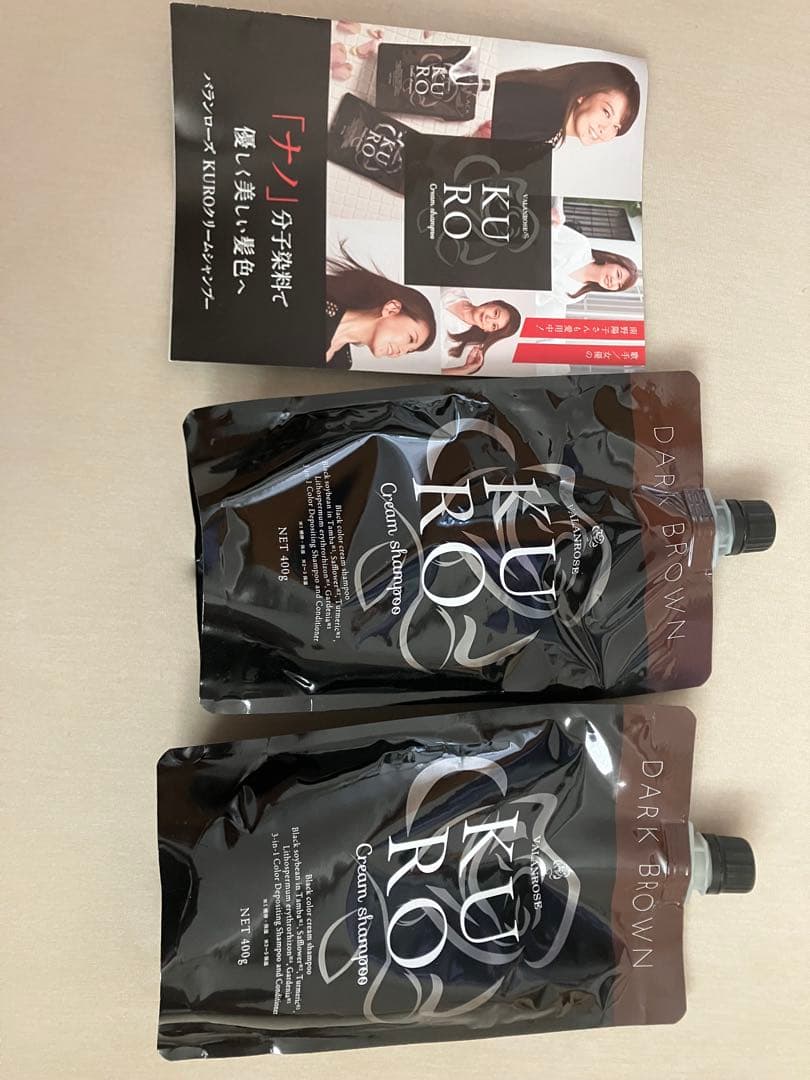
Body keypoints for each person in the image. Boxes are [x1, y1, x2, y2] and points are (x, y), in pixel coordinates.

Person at [490, 61, 641, 147]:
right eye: (607, 112)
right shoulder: (548, 115)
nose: (605, 130)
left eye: (616, 127)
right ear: (585, 93)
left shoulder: (552, 122)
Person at [325, 257, 436, 367]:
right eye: (411, 338)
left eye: (408, 351)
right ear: (391, 309)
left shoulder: (342, 363)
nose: (400, 353)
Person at [547, 223, 639, 305]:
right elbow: (548, 229)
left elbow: (541, 296)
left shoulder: (575, 295)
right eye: (618, 274)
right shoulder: (580, 245)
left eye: (619, 286)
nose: (613, 282)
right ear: (611, 261)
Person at [440, 289, 521, 375]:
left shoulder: (454, 344)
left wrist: (464, 370)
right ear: (492, 303)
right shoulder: (454, 289)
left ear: (487, 330)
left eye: (494, 326)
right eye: (495, 313)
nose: (488, 319)